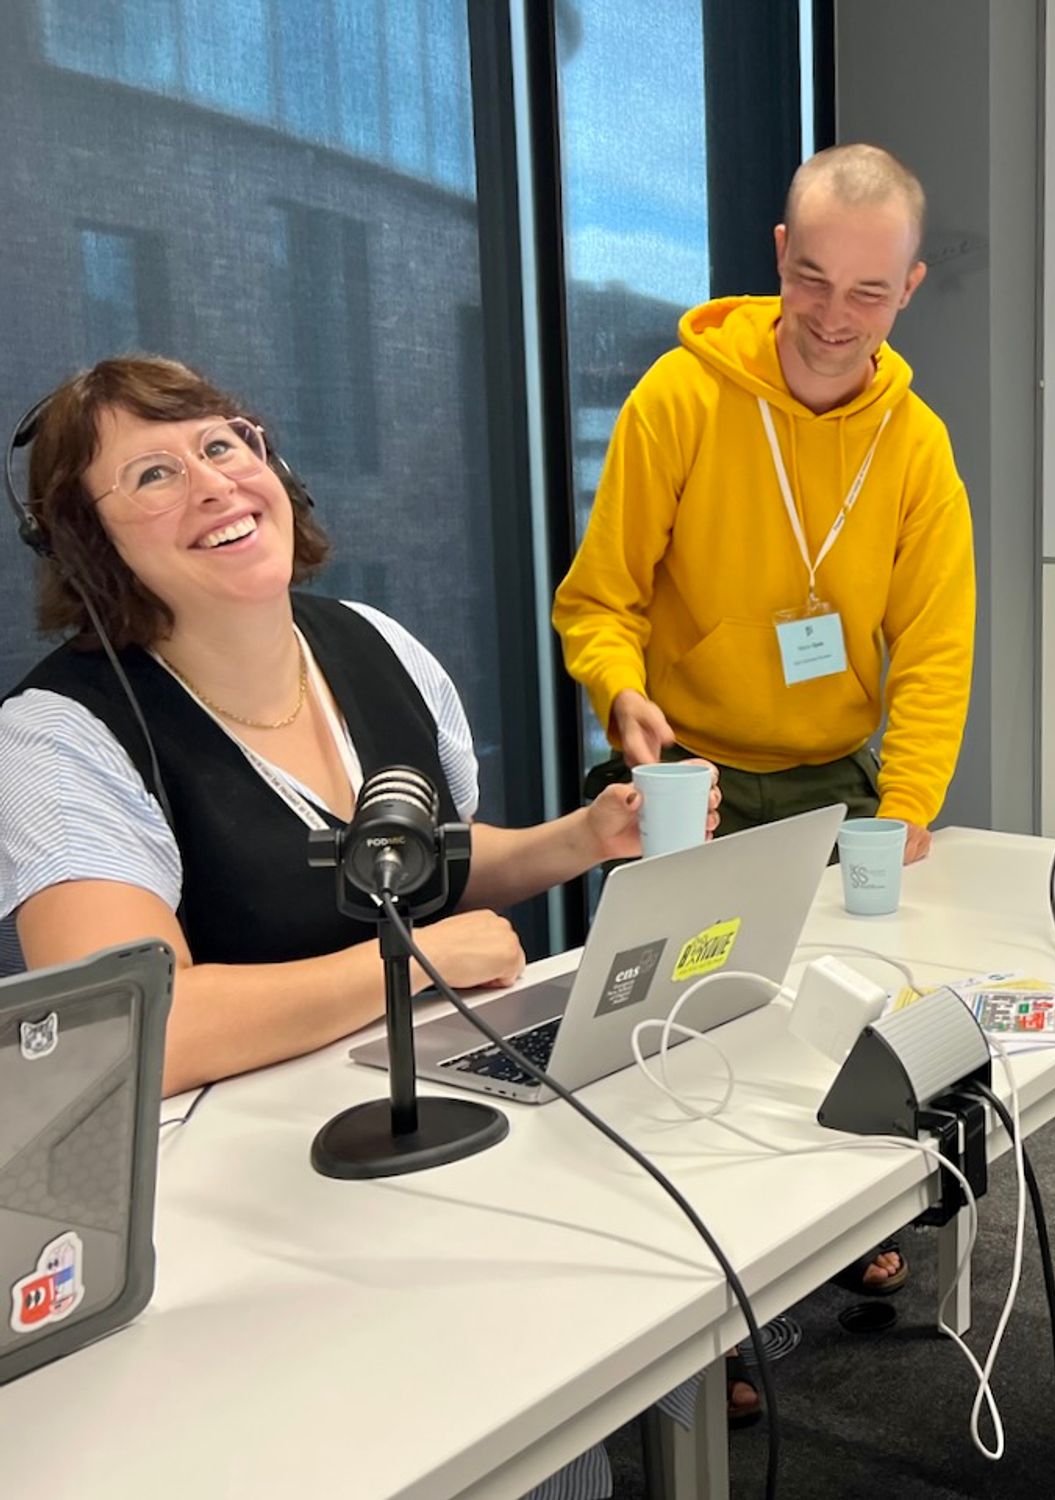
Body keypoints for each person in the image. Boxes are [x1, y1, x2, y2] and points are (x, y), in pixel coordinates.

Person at [0, 356, 718, 1500]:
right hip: (237, 1209)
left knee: (593, 1340)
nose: (213, 485)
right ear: (85, 545)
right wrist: (413, 960)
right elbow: (139, 1024)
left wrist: (579, 841)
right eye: (151, 473)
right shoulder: (58, 739)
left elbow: (428, 860)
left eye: (223, 445)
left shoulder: (374, 647)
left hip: (420, 1115)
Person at [552, 142, 974, 871]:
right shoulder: (681, 397)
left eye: (868, 292)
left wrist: (905, 806)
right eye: (813, 279)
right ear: (781, 252)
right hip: (689, 777)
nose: (834, 317)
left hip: (837, 780)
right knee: (681, 982)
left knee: (853, 980)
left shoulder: (918, 445)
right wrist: (620, 692)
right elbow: (600, 600)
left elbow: (934, 652)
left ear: (910, 285)